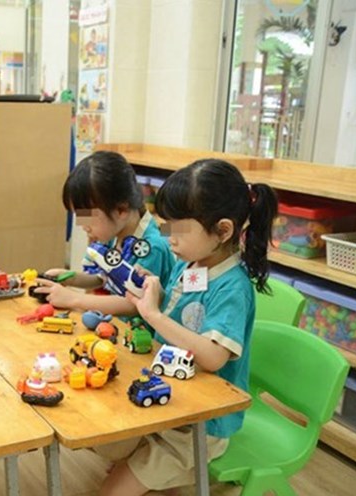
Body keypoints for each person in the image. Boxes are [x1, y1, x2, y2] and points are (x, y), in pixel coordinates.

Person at [96, 159, 278, 496]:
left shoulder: (233, 287)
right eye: (166, 226)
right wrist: (158, 293)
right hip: (172, 399)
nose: (168, 237)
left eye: (178, 228)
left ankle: (193, 476)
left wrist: (154, 316)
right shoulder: (192, 261)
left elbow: (212, 357)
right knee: (102, 433)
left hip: (201, 424)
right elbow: (185, 310)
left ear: (223, 230)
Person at [35, 151, 175, 317]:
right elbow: (102, 278)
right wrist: (70, 278)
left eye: (89, 218)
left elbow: (134, 304)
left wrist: (74, 299)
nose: (83, 227)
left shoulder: (151, 247)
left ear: (121, 210)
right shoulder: (114, 234)